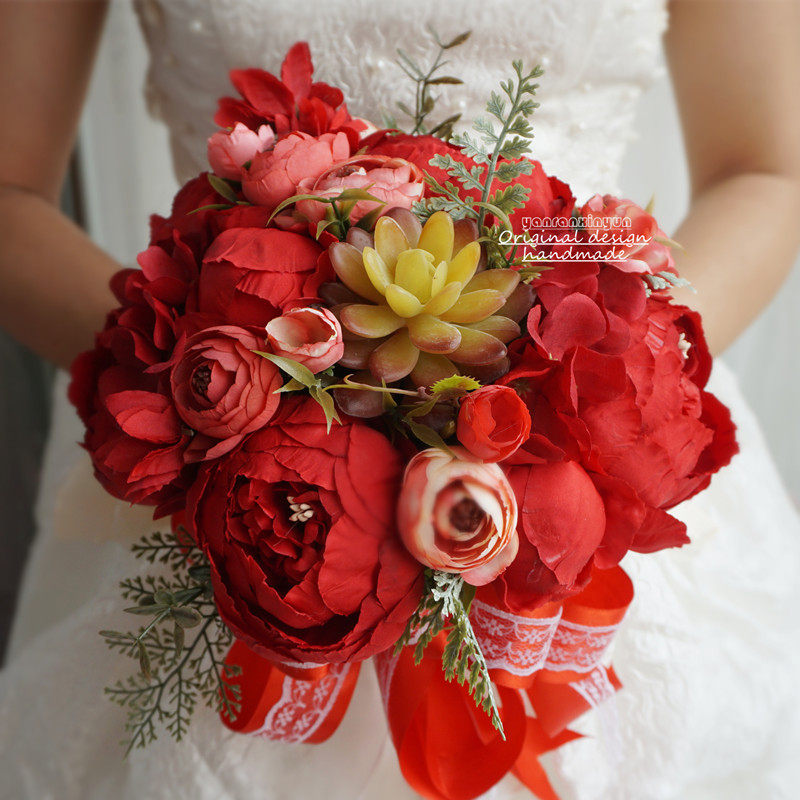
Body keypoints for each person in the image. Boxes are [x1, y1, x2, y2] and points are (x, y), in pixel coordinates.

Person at [1, 1, 799, 798]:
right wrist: (224, 386)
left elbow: (762, 169)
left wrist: (605, 368)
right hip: (234, 486)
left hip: (576, 440)